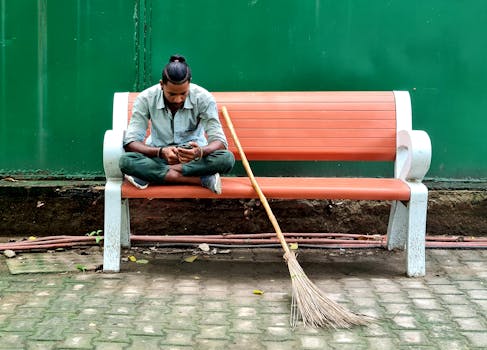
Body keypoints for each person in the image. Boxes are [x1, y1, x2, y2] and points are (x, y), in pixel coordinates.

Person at [119, 55, 235, 194]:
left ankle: (152, 176)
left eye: (183, 94)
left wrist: (199, 152)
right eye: (172, 94)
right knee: (126, 161)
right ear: (161, 84)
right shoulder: (146, 98)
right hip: (159, 157)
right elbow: (131, 142)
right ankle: (200, 180)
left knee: (227, 159)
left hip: (194, 161)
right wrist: (161, 152)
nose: (178, 99)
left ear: (189, 83)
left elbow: (220, 141)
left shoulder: (204, 98)